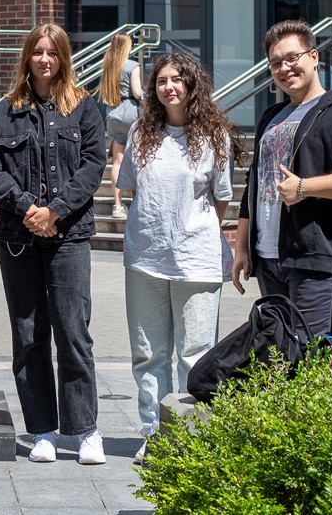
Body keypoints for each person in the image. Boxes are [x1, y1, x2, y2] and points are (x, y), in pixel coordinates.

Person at [0, 23, 107, 464]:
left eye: (53, 52)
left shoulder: (84, 108)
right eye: (38, 52)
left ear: (64, 57)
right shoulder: (5, 112)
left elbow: (93, 166)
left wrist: (55, 211)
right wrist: (29, 208)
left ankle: (85, 429)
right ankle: (43, 431)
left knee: (73, 333)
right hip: (19, 237)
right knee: (30, 335)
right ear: (27, 57)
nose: (45, 59)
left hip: (69, 235)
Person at [119, 51, 236, 444]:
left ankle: (189, 439)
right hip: (144, 259)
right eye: (161, 81)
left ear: (192, 85)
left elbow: (221, 198)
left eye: (176, 79)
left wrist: (193, 231)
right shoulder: (140, 132)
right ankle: (155, 436)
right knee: (148, 354)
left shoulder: (214, 137)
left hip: (197, 261)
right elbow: (132, 189)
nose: (169, 87)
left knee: (196, 354)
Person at [231, 20, 332, 339]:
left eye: (292, 58)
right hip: (267, 257)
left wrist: (304, 188)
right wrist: (242, 248)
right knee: (278, 355)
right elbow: (253, 185)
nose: (285, 68)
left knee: (308, 356)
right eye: (276, 63)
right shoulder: (271, 116)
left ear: (314, 57)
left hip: (313, 257)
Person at [98, 35, 143, 220]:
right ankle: (136, 203)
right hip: (131, 112)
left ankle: (117, 206)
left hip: (113, 113)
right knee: (135, 159)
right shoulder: (132, 66)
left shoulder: (108, 66)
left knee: (117, 161)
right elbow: (137, 92)